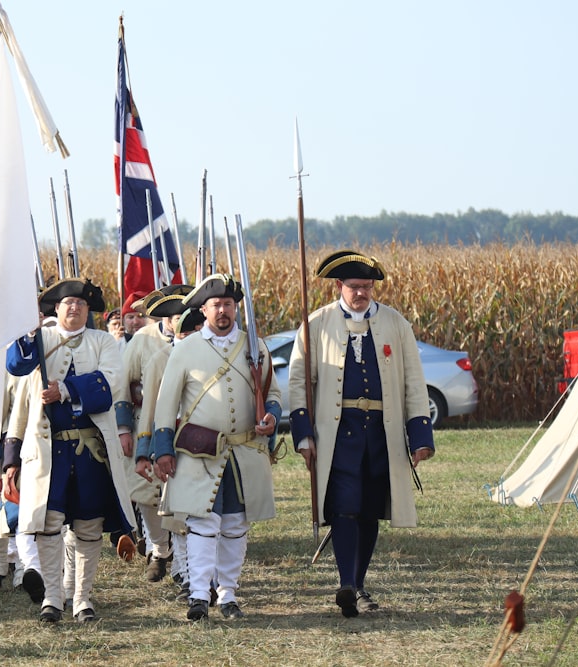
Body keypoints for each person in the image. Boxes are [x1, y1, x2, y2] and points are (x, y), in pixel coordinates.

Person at [287, 250, 434, 618]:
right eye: (355, 287)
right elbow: (299, 382)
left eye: (367, 287)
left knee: (369, 510)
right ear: (339, 286)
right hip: (338, 436)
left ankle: (359, 582)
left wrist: (420, 437)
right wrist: (304, 435)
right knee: (344, 507)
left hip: (380, 437)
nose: (362, 294)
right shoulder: (316, 323)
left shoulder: (396, 324)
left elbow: (414, 382)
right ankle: (347, 583)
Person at [4, 277, 136, 624]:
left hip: (91, 453)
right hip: (49, 453)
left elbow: (110, 384)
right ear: (56, 309)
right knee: (49, 525)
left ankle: (82, 599)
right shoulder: (40, 339)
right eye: (66, 303)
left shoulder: (103, 342)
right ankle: (52, 597)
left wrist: (64, 389)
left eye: (79, 303)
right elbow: (15, 367)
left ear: (88, 309)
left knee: (88, 527)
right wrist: (26, 332)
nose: (73, 308)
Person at [152, 274, 282, 621]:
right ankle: (198, 594)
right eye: (216, 305)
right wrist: (163, 449)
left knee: (236, 525)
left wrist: (271, 417)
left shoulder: (256, 346)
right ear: (204, 309)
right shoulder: (186, 349)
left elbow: (273, 396)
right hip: (200, 452)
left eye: (228, 305)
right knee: (202, 524)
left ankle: (228, 594)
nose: (222, 311)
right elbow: (166, 404)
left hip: (244, 452)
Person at [115, 284, 193, 583]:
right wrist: (124, 430)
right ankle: (159, 549)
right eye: (173, 315)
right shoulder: (144, 340)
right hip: (144, 422)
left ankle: (184, 559)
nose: (178, 320)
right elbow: (123, 385)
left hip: (184, 426)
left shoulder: (198, 340)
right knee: (147, 493)